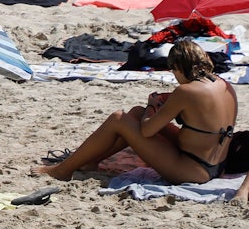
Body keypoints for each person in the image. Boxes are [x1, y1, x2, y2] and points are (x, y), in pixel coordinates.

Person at [34, 41, 237, 184]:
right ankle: (92, 161)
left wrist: (152, 104)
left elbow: (148, 131)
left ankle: (62, 171)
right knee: (137, 112)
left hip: (191, 170)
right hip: (215, 165)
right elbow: (201, 110)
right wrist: (154, 107)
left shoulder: (186, 91)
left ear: (178, 67)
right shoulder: (222, 84)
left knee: (118, 119)